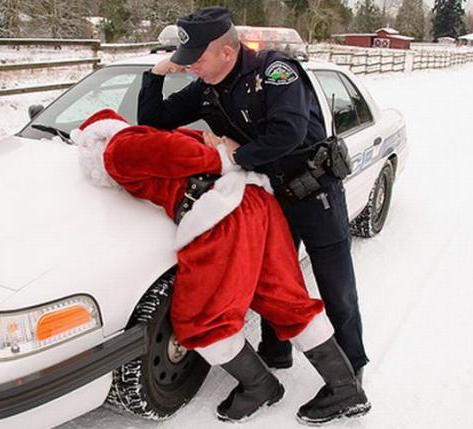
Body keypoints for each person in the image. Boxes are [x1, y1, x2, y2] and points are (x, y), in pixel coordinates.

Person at [70, 109, 369, 425]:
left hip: (223, 214)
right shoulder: (151, 134)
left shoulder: (117, 148)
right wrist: (223, 156)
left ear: (93, 140)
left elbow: (181, 152)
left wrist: (221, 160)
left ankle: (259, 386)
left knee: (201, 318)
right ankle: (345, 389)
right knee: (283, 297)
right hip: (255, 201)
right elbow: (205, 142)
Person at [137, 6, 369, 385]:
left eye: (196, 57)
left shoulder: (275, 72)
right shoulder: (207, 88)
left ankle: (350, 373)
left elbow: (288, 133)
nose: (189, 65)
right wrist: (155, 74)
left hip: (313, 193)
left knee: (335, 285)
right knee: (275, 281)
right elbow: (153, 121)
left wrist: (233, 154)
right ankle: (276, 353)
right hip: (268, 196)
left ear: (226, 52)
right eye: (186, 58)